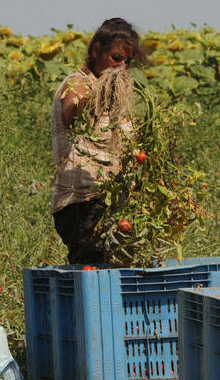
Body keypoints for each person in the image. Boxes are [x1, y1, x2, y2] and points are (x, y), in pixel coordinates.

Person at [50, 18, 146, 264]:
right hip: (84, 204)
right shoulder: (79, 83)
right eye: (116, 58)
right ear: (96, 51)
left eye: (127, 61)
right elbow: (71, 108)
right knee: (94, 273)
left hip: (112, 201)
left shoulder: (114, 92)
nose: (121, 67)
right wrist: (86, 102)